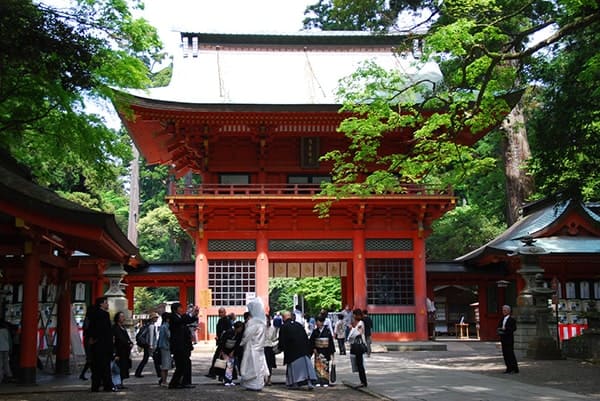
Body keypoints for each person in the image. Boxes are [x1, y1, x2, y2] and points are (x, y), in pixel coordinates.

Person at [278, 310, 317, 390]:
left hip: (292, 351)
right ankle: (309, 383)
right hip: (303, 350)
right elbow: (305, 337)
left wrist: (280, 348)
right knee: (306, 368)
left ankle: (294, 383)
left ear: (284, 318)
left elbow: (282, 340)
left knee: (293, 368)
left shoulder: (284, 327)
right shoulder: (299, 325)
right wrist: (308, 349)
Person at [87, 297, 116, 392]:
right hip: (103, 343)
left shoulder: (93, 314)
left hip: (97, 343)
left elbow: (91, 328)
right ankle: (107, 385)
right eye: (106, 303)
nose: (107, 305)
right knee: (105, 366)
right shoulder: (103, 315)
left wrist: (93, 338)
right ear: (101, 304)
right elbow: (105, 330)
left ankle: (95, 386)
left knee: (96, 367)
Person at [239, 298, 269, 391]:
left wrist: (242, 343)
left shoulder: (252, 322)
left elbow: (247, 335)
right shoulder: (263, 323)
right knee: (259, 367)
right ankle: (258, 384)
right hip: (260, 348)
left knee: (251, 367)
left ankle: (251, 385)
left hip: (251, 348)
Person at [168, 302, 198, 389]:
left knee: (185, 364)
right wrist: (190, 314)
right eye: (180, 308)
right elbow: (182, 320)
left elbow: (188, 320)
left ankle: (184, 382)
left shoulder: (180, 317)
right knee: (181, 365)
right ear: (176, 309)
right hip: (179, 346)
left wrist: (194, 315)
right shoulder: (173, 317)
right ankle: (175, 383)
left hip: (184, 345)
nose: (182, 309)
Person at [215, 321, 244, 386]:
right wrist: (222, 352)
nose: (241, 329)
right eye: (240, 328)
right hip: (225, 350)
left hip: (231, 350)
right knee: (226, 365)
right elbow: (222, 342)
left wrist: (233, 352)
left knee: (230, 366)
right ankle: (226, 380)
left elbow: (237, 344)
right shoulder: (228, 332)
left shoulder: (239, 335)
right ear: (237, 328)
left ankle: (229, 380)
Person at [309, 315, 335, 387]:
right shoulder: (315, 332)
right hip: (318, 350)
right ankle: (318, 380)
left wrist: (332, 353)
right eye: (317, 322)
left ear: (322, 322)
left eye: (319, 322)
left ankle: (325, 381)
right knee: (318, 366)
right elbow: (311, 342)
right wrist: (313, 349)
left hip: (326, 350)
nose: (317, 323)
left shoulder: (327, 331)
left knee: (325, 366)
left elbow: (331, 343)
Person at [207, 307, 230, 379]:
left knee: (220, 358)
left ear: (225, 312)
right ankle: (216, 373)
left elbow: (228, 332)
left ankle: (217, 373)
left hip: (224, 343)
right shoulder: (220, 320)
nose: (220, 314)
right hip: (220, 341)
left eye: (221, 312)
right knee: (218, 358)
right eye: (219, 312)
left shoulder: (227, 321)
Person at [112, 311, 133, 390]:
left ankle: (121, 382)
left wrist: (130, 343)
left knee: (124, 367)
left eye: (123, 316)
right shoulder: (115, 328)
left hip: (125, 351)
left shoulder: (123, 327)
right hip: (119, 350)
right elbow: (118, 339)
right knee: (118, 368)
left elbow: (127, 338)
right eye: (121, 316)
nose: (123, 318)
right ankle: (117, 383)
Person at [134, 312, 159, 378]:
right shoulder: (151, 326)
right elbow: (151, 336)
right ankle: (159, 373)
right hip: (149, 346)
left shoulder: (148, 325)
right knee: (155, 359)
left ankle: (138, 372)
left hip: (147, 345)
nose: (157, 319)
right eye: (155, 317)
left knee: (145, 359)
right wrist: (151, 345)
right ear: (152, 318)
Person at [348, 308, 367, 388]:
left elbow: (356, 333)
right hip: (356, 345)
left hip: (359, 345)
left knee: (360, 364)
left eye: (354, 314)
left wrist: (351, 329)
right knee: (358, 364)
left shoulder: (360, 323)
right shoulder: (358, 323)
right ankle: (362, 381)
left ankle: (363, 381)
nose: (354, 316)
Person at [497, 304, 519, 374]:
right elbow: (499, 326)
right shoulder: (502, 319)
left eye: (505, 310)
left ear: (509, 311)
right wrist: (500, 330)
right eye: (503, 310)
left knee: (510, 353)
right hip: (503, 338)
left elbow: (514, 328)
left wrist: (506, 329)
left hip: (509, 338)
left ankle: (514, 368)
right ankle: (508, 368)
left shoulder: (512, 319)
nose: (504, 312)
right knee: (505, 354)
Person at [78, 304, 94, 380]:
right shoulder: (89, 319)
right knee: (90, 358)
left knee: (90, 358)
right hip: (88, 339)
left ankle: (84, 374)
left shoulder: (88, 318)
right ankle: (89, 373)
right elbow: (86, 328)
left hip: (88, 339)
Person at [263, 313, 278, 386]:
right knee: (263, 364)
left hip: (270, 346)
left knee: (270, 364)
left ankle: (269, 379)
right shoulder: (261, 328)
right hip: (262, 347)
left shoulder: (273, 328)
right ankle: (263, 379)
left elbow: (273, 338)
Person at [157, 312, 171, 387]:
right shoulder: (165, 327)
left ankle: (164, 380)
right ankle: (164, 381)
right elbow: (169, 336)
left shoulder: (163, 326)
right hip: (165, 347)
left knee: (165, 365)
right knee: (165, 365)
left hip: (164, 346)